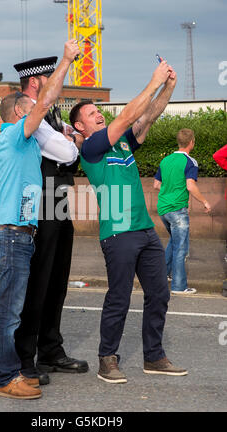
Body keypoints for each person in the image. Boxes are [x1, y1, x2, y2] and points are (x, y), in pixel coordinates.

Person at [69, 60, 188, 384]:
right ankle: (107, 359)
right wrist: (152, 81)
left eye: (98, 110)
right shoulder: (92, 147)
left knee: (160, 293)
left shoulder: (121, 141)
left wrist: (168, 87)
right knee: (119, 297)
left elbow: (147, 116)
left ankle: (154, 356)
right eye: (92, 113)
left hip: (144, 229)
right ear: (81, 127)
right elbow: (127, 116)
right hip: (118, 232)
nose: (98, 114)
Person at [0, 39, 80, 399]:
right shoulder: (15, 135)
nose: (37, 113)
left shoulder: (11, 136)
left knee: (12, 307)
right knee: (8, 311)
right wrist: (68, 60)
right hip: (12, 233)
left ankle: (11, 371)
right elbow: (42, 105)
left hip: (22, 231)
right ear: (19, 114)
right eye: (30, 110)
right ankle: (5, 375)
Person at [12, 52, 88, 385]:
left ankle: (51, 349)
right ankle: (25, 355)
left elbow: (70, 157)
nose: (57, 83)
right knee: (39, 279)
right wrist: (72, 140)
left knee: (57, 279)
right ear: (35, 82)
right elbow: (68, 153)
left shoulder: (50, 114)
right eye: (51, 77)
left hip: (57, 198)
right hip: (40, 201)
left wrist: (70, 140)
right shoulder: (28, 111)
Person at [154, 129, 212, 295]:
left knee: (174, 242)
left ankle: (163, 275)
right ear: (191, 142)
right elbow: (190, 185)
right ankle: (179, 287)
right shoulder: (190, 162)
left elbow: (156, 185)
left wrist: (169, 190)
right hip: (177, 210)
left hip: (163, 209)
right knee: (181, 248)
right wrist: (205, 202)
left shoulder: (165, 160)